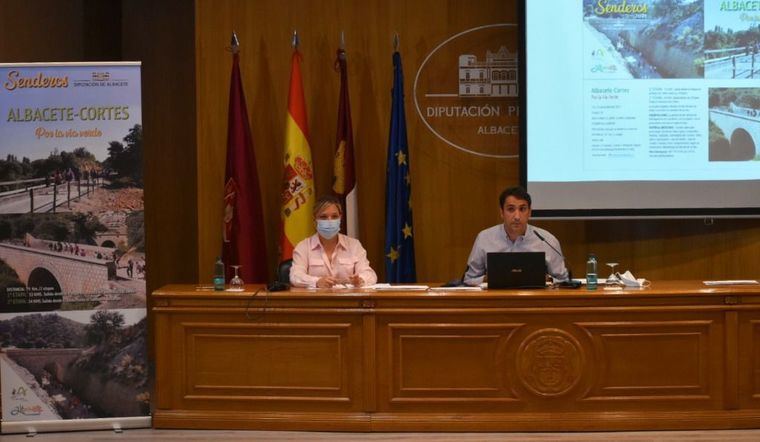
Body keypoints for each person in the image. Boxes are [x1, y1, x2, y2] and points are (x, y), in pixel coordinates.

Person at [463, 186, 568, 286]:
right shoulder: (484, 238)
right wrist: (487, 279)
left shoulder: (547, 240)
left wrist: (547, 279)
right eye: (511, 209)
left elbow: (564, 280)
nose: (517, 216)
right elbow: (469, 279)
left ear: (529, 212)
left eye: (522, 209)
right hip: (496, 301)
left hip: (535, 301)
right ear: (502, 212)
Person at [290, 195, 377, 288]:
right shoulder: (303, 247)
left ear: (340, 218)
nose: (329, 221)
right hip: (315, 301)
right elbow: (296, 276)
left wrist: (360, 280)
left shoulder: (354, 245)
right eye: (323, 217)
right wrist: (317, 282)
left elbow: (370, 274)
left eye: (334, 216)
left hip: (347, 300)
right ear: (315, 220)